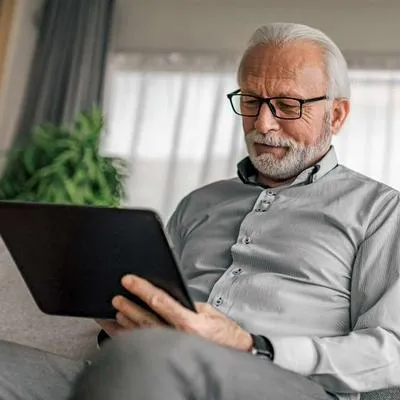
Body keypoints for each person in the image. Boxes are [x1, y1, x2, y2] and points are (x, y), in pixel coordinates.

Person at [1, 22, 400, 400]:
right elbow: (158, 304)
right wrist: (127, 326)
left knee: (150, 357)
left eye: (286, 105)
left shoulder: (379, 210)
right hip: (146, 369)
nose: (263, 123)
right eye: (251, 101)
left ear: (336, 114)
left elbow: (391, 351)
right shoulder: (199, 203)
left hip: (284, 383)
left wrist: (252, 346)